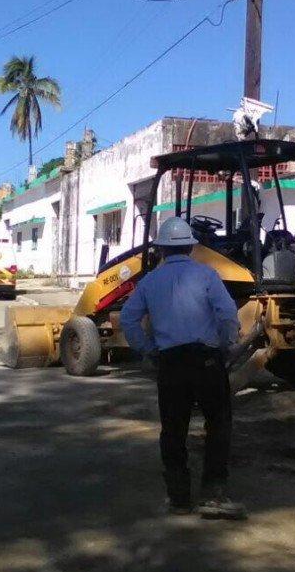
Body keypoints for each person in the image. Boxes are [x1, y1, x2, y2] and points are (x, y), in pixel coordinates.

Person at [119, 217, 245, 519]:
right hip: (207, 361)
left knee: (173, 430)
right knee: (219, 425)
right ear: (190, 247)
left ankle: (179, 498)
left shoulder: (149, 282)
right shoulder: (207, 275)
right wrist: (226, 343)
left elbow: (127, 320)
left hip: (171, 363)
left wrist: (149, 350)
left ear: (161, 249)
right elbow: (227, 313)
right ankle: (214, 494)